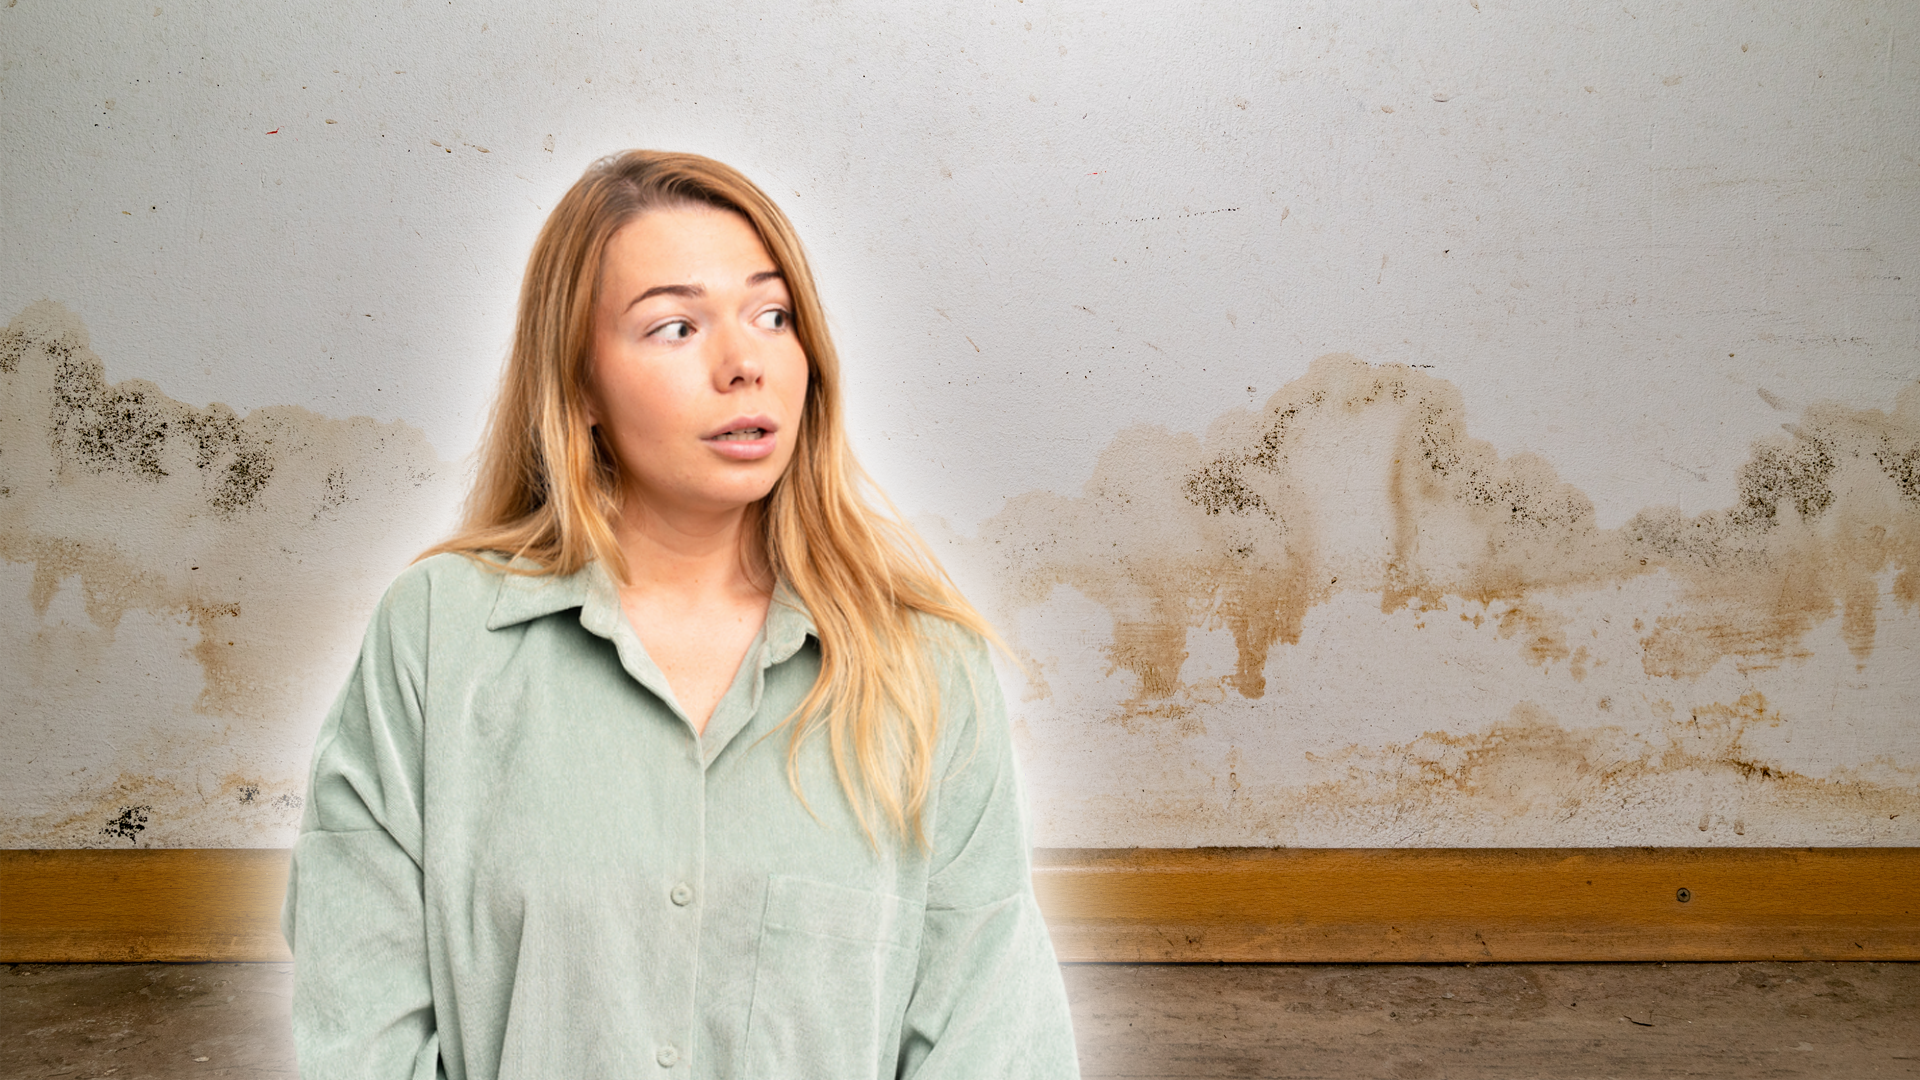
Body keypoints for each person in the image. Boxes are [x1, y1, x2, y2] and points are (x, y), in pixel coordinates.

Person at [280, 150, 1080, 1079]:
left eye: (772, 315)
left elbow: (989, 1031)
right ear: (578, 385)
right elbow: (360, 1019)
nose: (744, 364)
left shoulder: (926, 665)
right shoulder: (436, 634)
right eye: (674, 327)